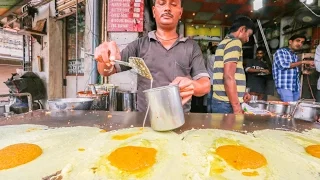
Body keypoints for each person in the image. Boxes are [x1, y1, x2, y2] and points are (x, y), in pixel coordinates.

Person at [94, 0, 210, 112]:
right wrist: (105, 58)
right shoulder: (139, 45)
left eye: (173, 4)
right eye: (161, 3)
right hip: (144, 119)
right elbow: (106, 71)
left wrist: (193, 86)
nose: (167, 8)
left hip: (179, 117)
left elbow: (205, 85)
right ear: (154, 11)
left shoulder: (191, 46)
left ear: (180, 13)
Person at [210, 16, 254, 114]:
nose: (247, 39)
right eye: (248, 35)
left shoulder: (223, 43)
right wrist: (236, 106)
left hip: (221, 101)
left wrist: (242, 92)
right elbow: (228, 76)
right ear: (242, 29)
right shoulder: (235, 43)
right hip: (227, 103)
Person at [272, 34, 314, 102]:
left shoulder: (294, 55)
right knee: (289, 108)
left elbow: (292, 71)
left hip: (295, 87)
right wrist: (303, 62)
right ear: (290, 42)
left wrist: (302, 72)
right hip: (285, 86)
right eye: (298, 41)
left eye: (302, 42)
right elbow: (283, 66)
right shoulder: (281, 51)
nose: (300, 44)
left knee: (294, 109)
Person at [206, 45, 217, 112]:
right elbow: (215, 69)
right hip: (215, 81)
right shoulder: (216, 58)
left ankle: (208, 112)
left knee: (209, 99)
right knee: (214, 99)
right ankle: (212, 114)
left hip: (209, 80)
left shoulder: (208, 57)